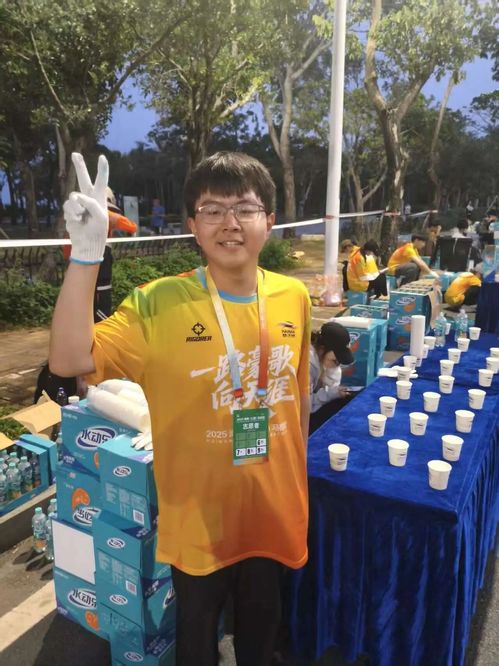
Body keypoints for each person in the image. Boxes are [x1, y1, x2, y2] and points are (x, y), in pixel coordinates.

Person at [49, 151, 311, 666]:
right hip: (198, 521)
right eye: (213, 210)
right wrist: (85, 256)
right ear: (193, 224)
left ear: (269, 221)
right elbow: (69, 359)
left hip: (273, 512)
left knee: (262, 638)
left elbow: (297, 398)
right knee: (196, 642)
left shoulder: (293, 296)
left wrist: (298, 483)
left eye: (245, 208)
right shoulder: (157, 303)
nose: (230, 223)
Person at [309, 322, 354, 434]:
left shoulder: (323, 358)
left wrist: (334, 391)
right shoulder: (308, 366)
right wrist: (330, 394)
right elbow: (305, 406)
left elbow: (333, 385)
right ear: (322, 348)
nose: (337, 365)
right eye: (335, 361)